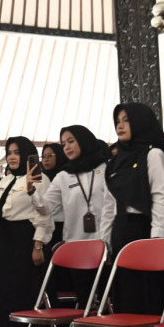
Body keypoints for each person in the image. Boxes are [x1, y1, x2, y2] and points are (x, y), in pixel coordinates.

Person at [103, 102, 164, 327]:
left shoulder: (153, 153)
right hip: (122, 233)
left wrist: (155, 242)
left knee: (147, 302)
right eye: (117, 121)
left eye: (126, 120)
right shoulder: (117, 158)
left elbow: (161, 198)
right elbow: (109, 205)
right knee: (126, 302)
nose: (120, 125)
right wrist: (104, 242)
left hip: (145, 232)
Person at [0, 136, 54, 327]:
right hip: (5, 240)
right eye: (9, 152)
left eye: (16, 152)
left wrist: (38, 244)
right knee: (6, 294)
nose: (12, 157)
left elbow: (43, 214)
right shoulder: (4, 181)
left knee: (25, 294)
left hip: (25, 238)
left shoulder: (39, 178)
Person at [32, 125, 114, 306]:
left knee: (108, 300)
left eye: (71, 141)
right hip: (76, 246)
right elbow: (46, 209)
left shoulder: (105, 168)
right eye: (63, 144)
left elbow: (111, 206)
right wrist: (32, 192)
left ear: (84, 141)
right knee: (85, 301)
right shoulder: (63, 176)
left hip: (103, 243)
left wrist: (106, 242)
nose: (67, 147)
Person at [41, 143, 67, 248]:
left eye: (50, 156)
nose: (45, 159)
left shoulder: (64, 176)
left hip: (60, 225)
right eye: (43, 156)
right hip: (43, 226)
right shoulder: (40, 177)